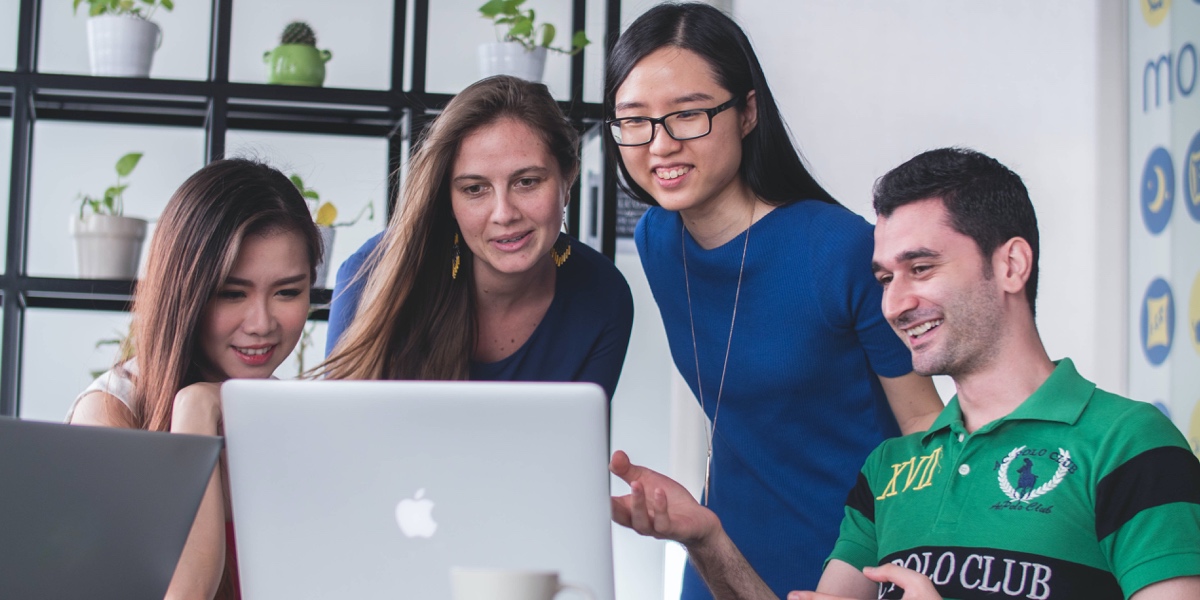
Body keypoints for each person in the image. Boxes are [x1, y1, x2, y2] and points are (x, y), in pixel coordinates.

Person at [610, 148, 1200, 600]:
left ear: (1011, 264)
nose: (895, 304)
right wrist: (708, 538)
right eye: (886, 278)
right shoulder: (888, 470)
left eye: (921, 267)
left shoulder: (1130, 443)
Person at [602, 3, 943, 595]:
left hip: (848, 564)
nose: (660, 145)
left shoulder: (839, 249)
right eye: (635, 120)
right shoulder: (658, 240)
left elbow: (922, 425)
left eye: (687, 115)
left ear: (748, 112)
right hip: (718, 556)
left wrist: (915, 563)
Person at [67, 159, 322, 600]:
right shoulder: (111, 410)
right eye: (231, 293)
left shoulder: (292, 417)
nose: (261, 323)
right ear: (185, 290)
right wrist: (195, 411)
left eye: (287, 292)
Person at [321, 76, 633, 398]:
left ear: (568, 179)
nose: (504, 213)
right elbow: (341, 434)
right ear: (448, 200)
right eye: (474, 189)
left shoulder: (603, 296)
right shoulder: (372, 274)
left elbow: (576, 443)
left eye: (526, 181)